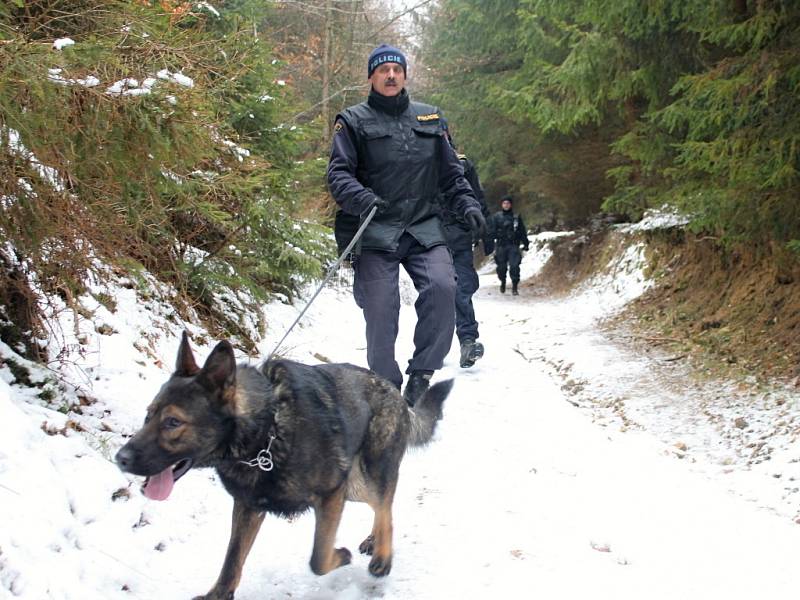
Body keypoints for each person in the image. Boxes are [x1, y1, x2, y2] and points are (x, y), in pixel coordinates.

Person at [327, 44, 486, 406]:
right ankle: (386, 388)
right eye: (383, 70)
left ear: (405, 75)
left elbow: (451, 176)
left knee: (444, 289)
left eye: (397, 69)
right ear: (371, 76)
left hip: (424, 227)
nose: (391, 75)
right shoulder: (352, 121)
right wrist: (362, 197)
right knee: (382, 312)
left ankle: (422, 373)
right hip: (375, 229)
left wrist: (469, 206)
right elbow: (338, 174)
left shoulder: (430, 119)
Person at [440, 122, 493, 368]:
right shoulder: (417, 164)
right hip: (430, 239)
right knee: (437, 292)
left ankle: (468, 341)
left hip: (459, 235)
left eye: (442, 132)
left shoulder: (463, 163)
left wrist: (485, 229)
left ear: (449, 134)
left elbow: (477, 197)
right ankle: (434, 345)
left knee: (462, 289)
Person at [489, 194, 529, 295]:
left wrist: (525, 243)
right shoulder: (497, 217)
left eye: (508, 203)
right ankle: (503, 281)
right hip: (501, 246)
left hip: (513, 245)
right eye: (504, 203)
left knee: (515, 267)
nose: (506, 205)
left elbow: (522, 231)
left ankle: (514, 286)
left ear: (511, 205)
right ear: (501, 205)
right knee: (501, 268)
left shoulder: (516, 217)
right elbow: (491, 231)